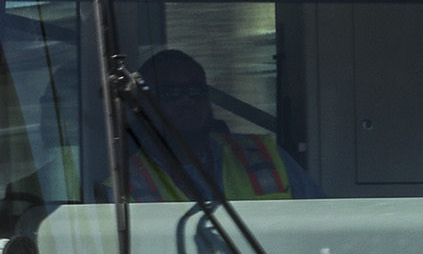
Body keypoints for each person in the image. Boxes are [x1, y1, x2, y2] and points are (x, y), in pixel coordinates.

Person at [126, 48, 320, 201]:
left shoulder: (265, 156)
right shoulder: (126, 186)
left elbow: (321, 227)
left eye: (195, 91)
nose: (186, 101)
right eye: (170, 92)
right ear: (141, 104)